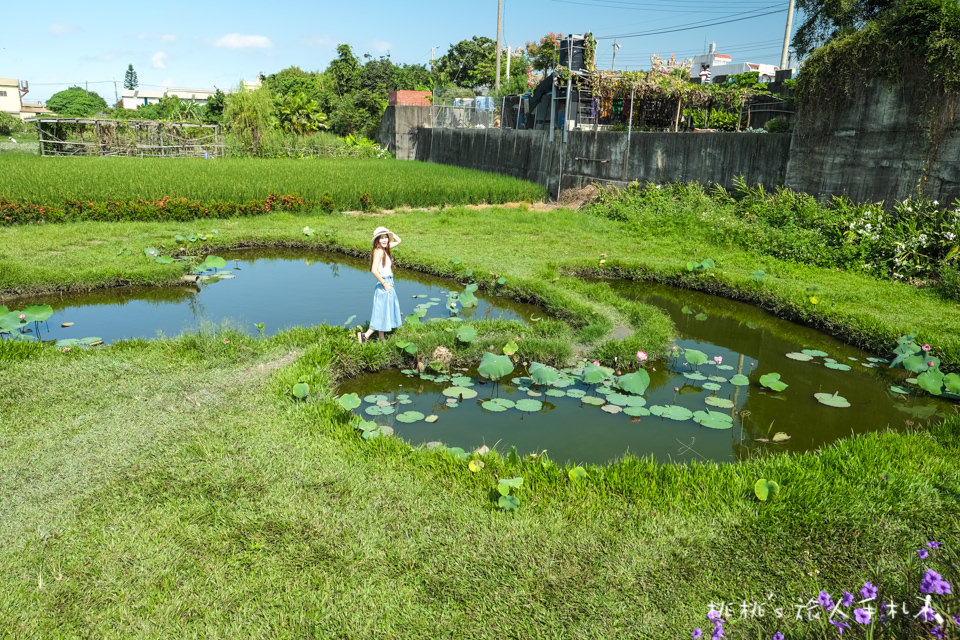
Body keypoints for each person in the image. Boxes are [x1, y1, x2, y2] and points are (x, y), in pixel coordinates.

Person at [357, 226, 403, 343]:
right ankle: (365, 336)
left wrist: (390, 232)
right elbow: (373, 270)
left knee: (383, 311)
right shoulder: (378, 251)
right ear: (377, 240)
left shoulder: (384, 249)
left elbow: (399, 241)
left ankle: (381, 337)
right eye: (381, 238)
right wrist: (385, 284)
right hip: (384, 284)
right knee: (381, 313)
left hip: (388, 282)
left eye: (386, 237)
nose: (385, 240)